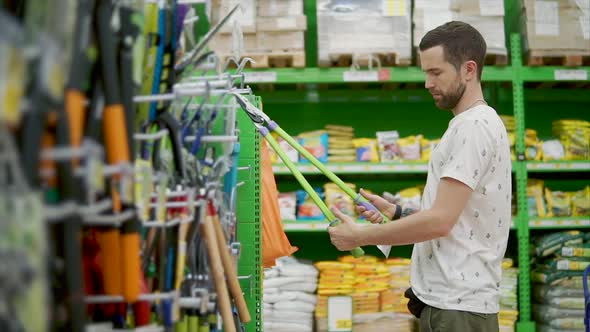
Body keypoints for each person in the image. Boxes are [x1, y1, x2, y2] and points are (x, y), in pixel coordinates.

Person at [328, 21, 511, 332]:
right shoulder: (470, 124)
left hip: (458, 308)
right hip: (453, 304)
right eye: (426, 72)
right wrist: (397, 213)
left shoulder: (473, 128)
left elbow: (440, 222)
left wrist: (359, 236)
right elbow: (458, 221)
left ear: (468, 70)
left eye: (436, 72)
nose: (427, 83)